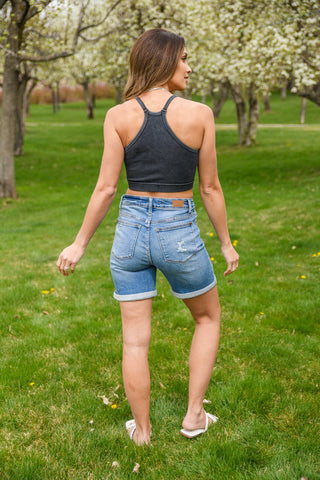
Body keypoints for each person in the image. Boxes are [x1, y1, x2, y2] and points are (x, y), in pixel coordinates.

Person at [57, 28, 239, 446]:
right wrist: (226, 243)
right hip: (178, 229)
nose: (190, 68)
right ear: (163, 61)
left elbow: (105, 188)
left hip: (131, 231)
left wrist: (79, 243)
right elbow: (210, 188)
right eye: (184, 59)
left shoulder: (118, 116)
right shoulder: (200, 114)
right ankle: (194, 416)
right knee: (207, 317)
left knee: (135, 341)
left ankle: (143, 432)